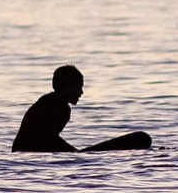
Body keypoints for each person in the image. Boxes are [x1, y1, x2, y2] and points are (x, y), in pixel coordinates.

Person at [12, 65, 151, 152]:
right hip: (25, 153)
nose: (81, 92)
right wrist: (74, 155)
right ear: (68, 88)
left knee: (143, 138)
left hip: (32, 152)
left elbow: (49, 140)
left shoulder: (60, 106)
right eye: (79, 87)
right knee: (142, 138)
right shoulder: (52, 104)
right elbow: (48, 136)